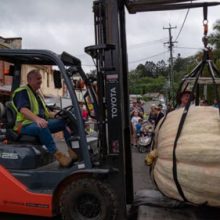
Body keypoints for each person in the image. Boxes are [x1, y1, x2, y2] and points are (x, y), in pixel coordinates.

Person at [12, 69, 78, 167]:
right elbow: (23, 109)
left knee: (64, 122)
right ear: (29, 80)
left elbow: (45, 113)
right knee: (41, 126)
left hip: (37, 123)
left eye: (41, 78)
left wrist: (59, 115)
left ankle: (74, 151)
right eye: (38, 79)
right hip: (23, 126)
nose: (41, 81)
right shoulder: (22, 92)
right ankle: (59, 156)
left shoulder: (37, 94)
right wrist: (37, 119)